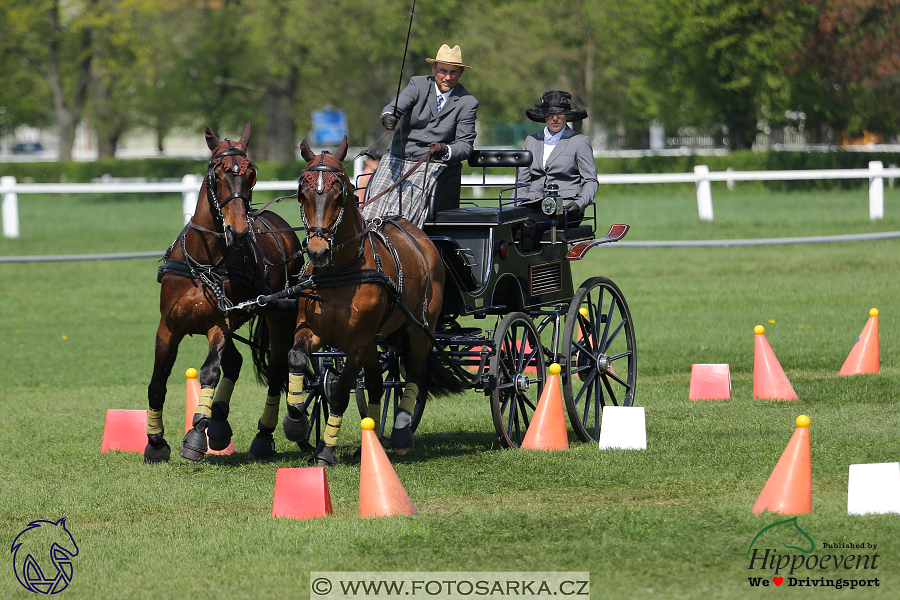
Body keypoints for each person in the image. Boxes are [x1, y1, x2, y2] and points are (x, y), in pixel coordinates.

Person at [361, 44, 479, 227]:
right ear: (434, 68)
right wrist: (388, 117)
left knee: (399, 217)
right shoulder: (418, 84)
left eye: (453, 72)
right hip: (396, 158)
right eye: (443, 71)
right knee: (370, 211)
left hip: (430, 165)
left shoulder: (468, 102)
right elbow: (394, 107)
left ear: (461, 72)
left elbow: (465, 145)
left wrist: (445, 150)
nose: (447, 77)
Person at [514, 91, 599, 251]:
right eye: (550, 114)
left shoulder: (579, 142)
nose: (555, 118)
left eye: (560, 114)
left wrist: (579, 204)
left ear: (567, 115)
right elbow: (522, 181)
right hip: (533, 204)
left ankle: (528, 272)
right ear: (544, 115)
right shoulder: (531, 141)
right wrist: (514, 208)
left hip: (565, 207)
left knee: (531, 223)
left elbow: (590, 181)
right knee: (504, 224)